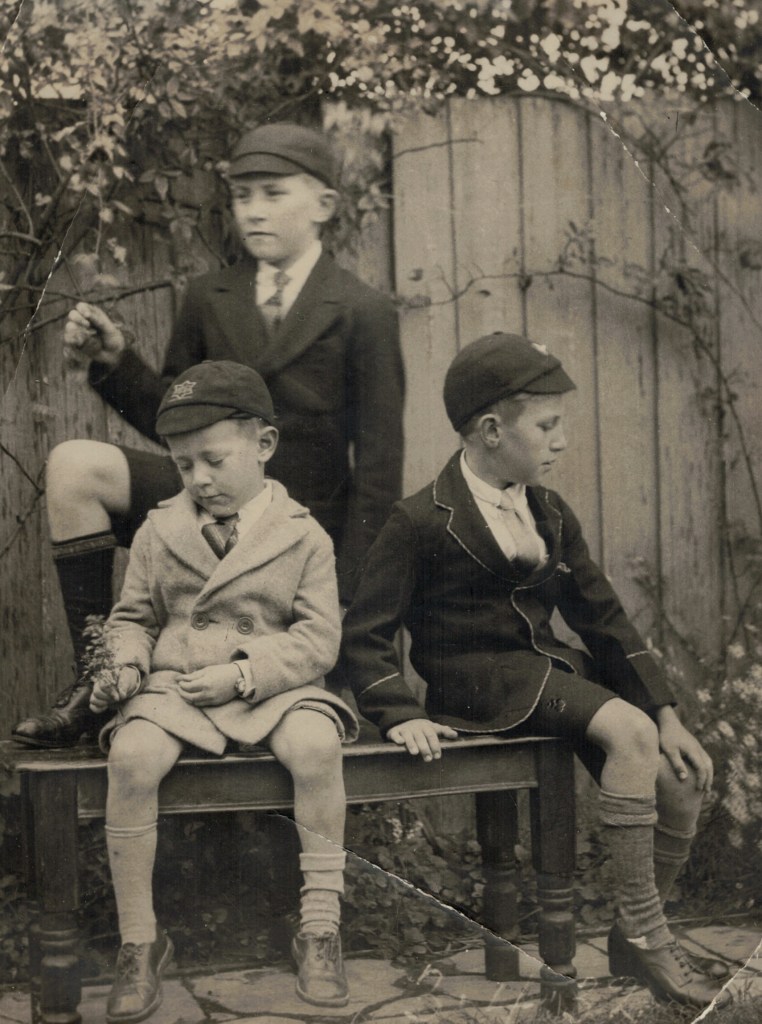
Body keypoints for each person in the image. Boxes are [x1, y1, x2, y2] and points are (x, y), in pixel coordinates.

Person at [340, 332, 729, 1010]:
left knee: (683, 777)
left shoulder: (548, 510)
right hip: (474, 684)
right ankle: (650, 937)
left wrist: (667, 714)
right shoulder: (419, 520)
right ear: (492, 431)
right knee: (630, 734)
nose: (562, 441)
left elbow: (602, 617)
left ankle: (629, 936)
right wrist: (398, 712)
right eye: (547, 426)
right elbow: (366, 632)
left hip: (544, 673)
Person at [13, 121, 404, 748]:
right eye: (242, 196)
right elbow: (176, 420)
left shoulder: (363, 309)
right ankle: (99, 678)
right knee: (74, 464)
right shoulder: (207, 295)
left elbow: (381, 466)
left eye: (273, 193)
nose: (254, 210)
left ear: (324, 204)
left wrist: (349, 592)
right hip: (204, 500)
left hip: (295, 525)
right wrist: (117, 362)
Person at [91, 360, 358, 1020]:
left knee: (317, 745)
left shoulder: (303, 535)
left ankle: (320, 927)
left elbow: (318, 640)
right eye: (183, 465)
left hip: (272, 686)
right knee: (130, 757)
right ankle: (139, 940)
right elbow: (133, 619)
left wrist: (243, 673)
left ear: (264, 445)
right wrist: (124, 666)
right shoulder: (158, 530)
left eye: (213, 460)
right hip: (178, 686)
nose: (198, 479)